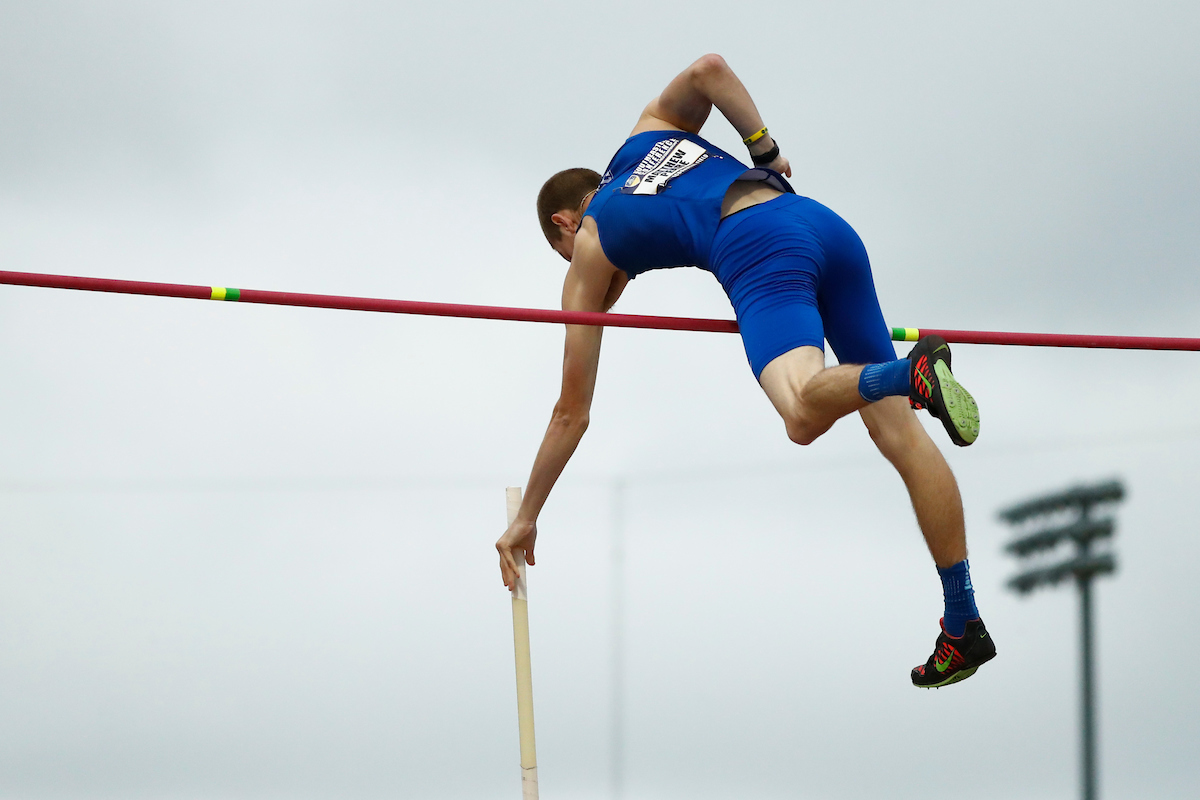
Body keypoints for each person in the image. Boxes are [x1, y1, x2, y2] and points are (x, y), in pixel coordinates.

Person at [495, 54, 995, 688]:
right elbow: (709, 69)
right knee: (896, 433)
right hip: (821, 222)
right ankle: (963, 623)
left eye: (559, 251)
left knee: (801, 412)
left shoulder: (590, 243)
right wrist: (764, 147)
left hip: (757, 246)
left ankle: (908, 376)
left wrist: (529, 514)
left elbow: (572, 411)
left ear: (563, 224)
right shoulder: (650, 131)